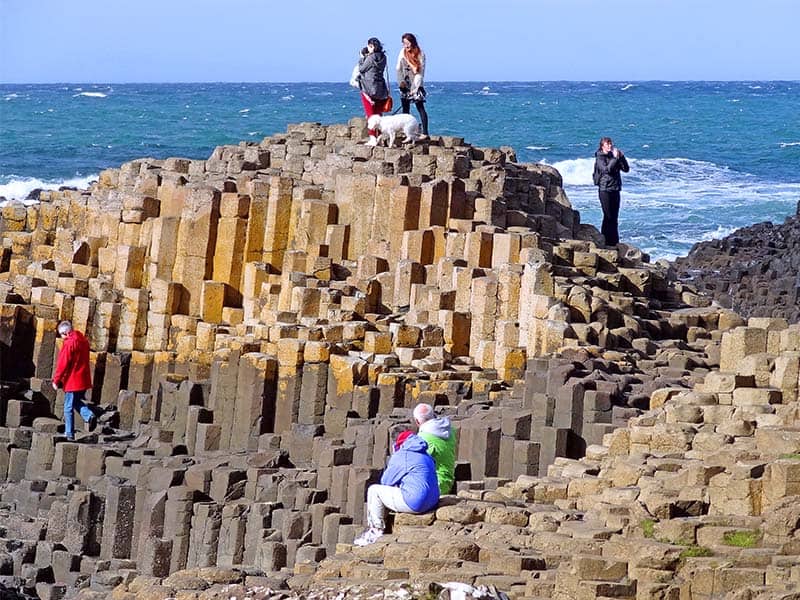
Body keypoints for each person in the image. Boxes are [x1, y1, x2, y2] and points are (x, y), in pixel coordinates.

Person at [353, 430, 440, 546]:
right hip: (433, 501)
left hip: (417, 503)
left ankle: (375, 531)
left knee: (374, 490)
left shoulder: (403, 455)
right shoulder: (426, 455)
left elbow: (386, 482)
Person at [51, 320, 96, 441]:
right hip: (84, 379)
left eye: (61, 335)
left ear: (65, 332)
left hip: (73, 380)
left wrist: (56, 380)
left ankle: (69, 433)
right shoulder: (83, 341)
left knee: (67, 407)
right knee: (76, 402)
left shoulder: (69, 343)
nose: (61, 338)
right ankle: (89, 416)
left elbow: (62, 363)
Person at [592, 137, 630, 247]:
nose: (610, 146)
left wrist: (621, 157)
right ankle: (605, 240)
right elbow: (606, 170)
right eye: (607, 144)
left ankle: (614, 242)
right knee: (607, 216)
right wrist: (614, 158)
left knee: (614, 217)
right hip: (605, 189)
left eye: (611, 144)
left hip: (615, 189)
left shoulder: (613, 156)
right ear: (602, 146)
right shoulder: (599, 157)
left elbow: (626, 169)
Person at [413, 403, 457, 494]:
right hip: (447, 480)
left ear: (417, 421)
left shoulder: (423, 438)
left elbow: (416, 465)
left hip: (435, 487)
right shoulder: (450, 430)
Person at [357, 37, 391, 146]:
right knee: (378, 114)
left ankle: (372, 138)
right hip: (380, 88)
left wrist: (362, 57)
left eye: (369, 46)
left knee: (370, 114)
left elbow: (362, 69)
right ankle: (380, 136)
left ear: (371, 46)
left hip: (368, 87)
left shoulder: (370, 58)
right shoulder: (383, 57)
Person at [395, 32, 429, 138]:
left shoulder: (420, 54)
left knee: (420, 107)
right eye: (404, 43)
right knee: (405, 109)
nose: (406, 45)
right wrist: (401, 82)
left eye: (407, 43)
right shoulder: (402, 53)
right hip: (405, 84)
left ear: (412, 42)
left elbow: (420, 73)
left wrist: (415, 88)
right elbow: (398, 68)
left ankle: (425, 132)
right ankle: (406, 131)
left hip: (416, 84)